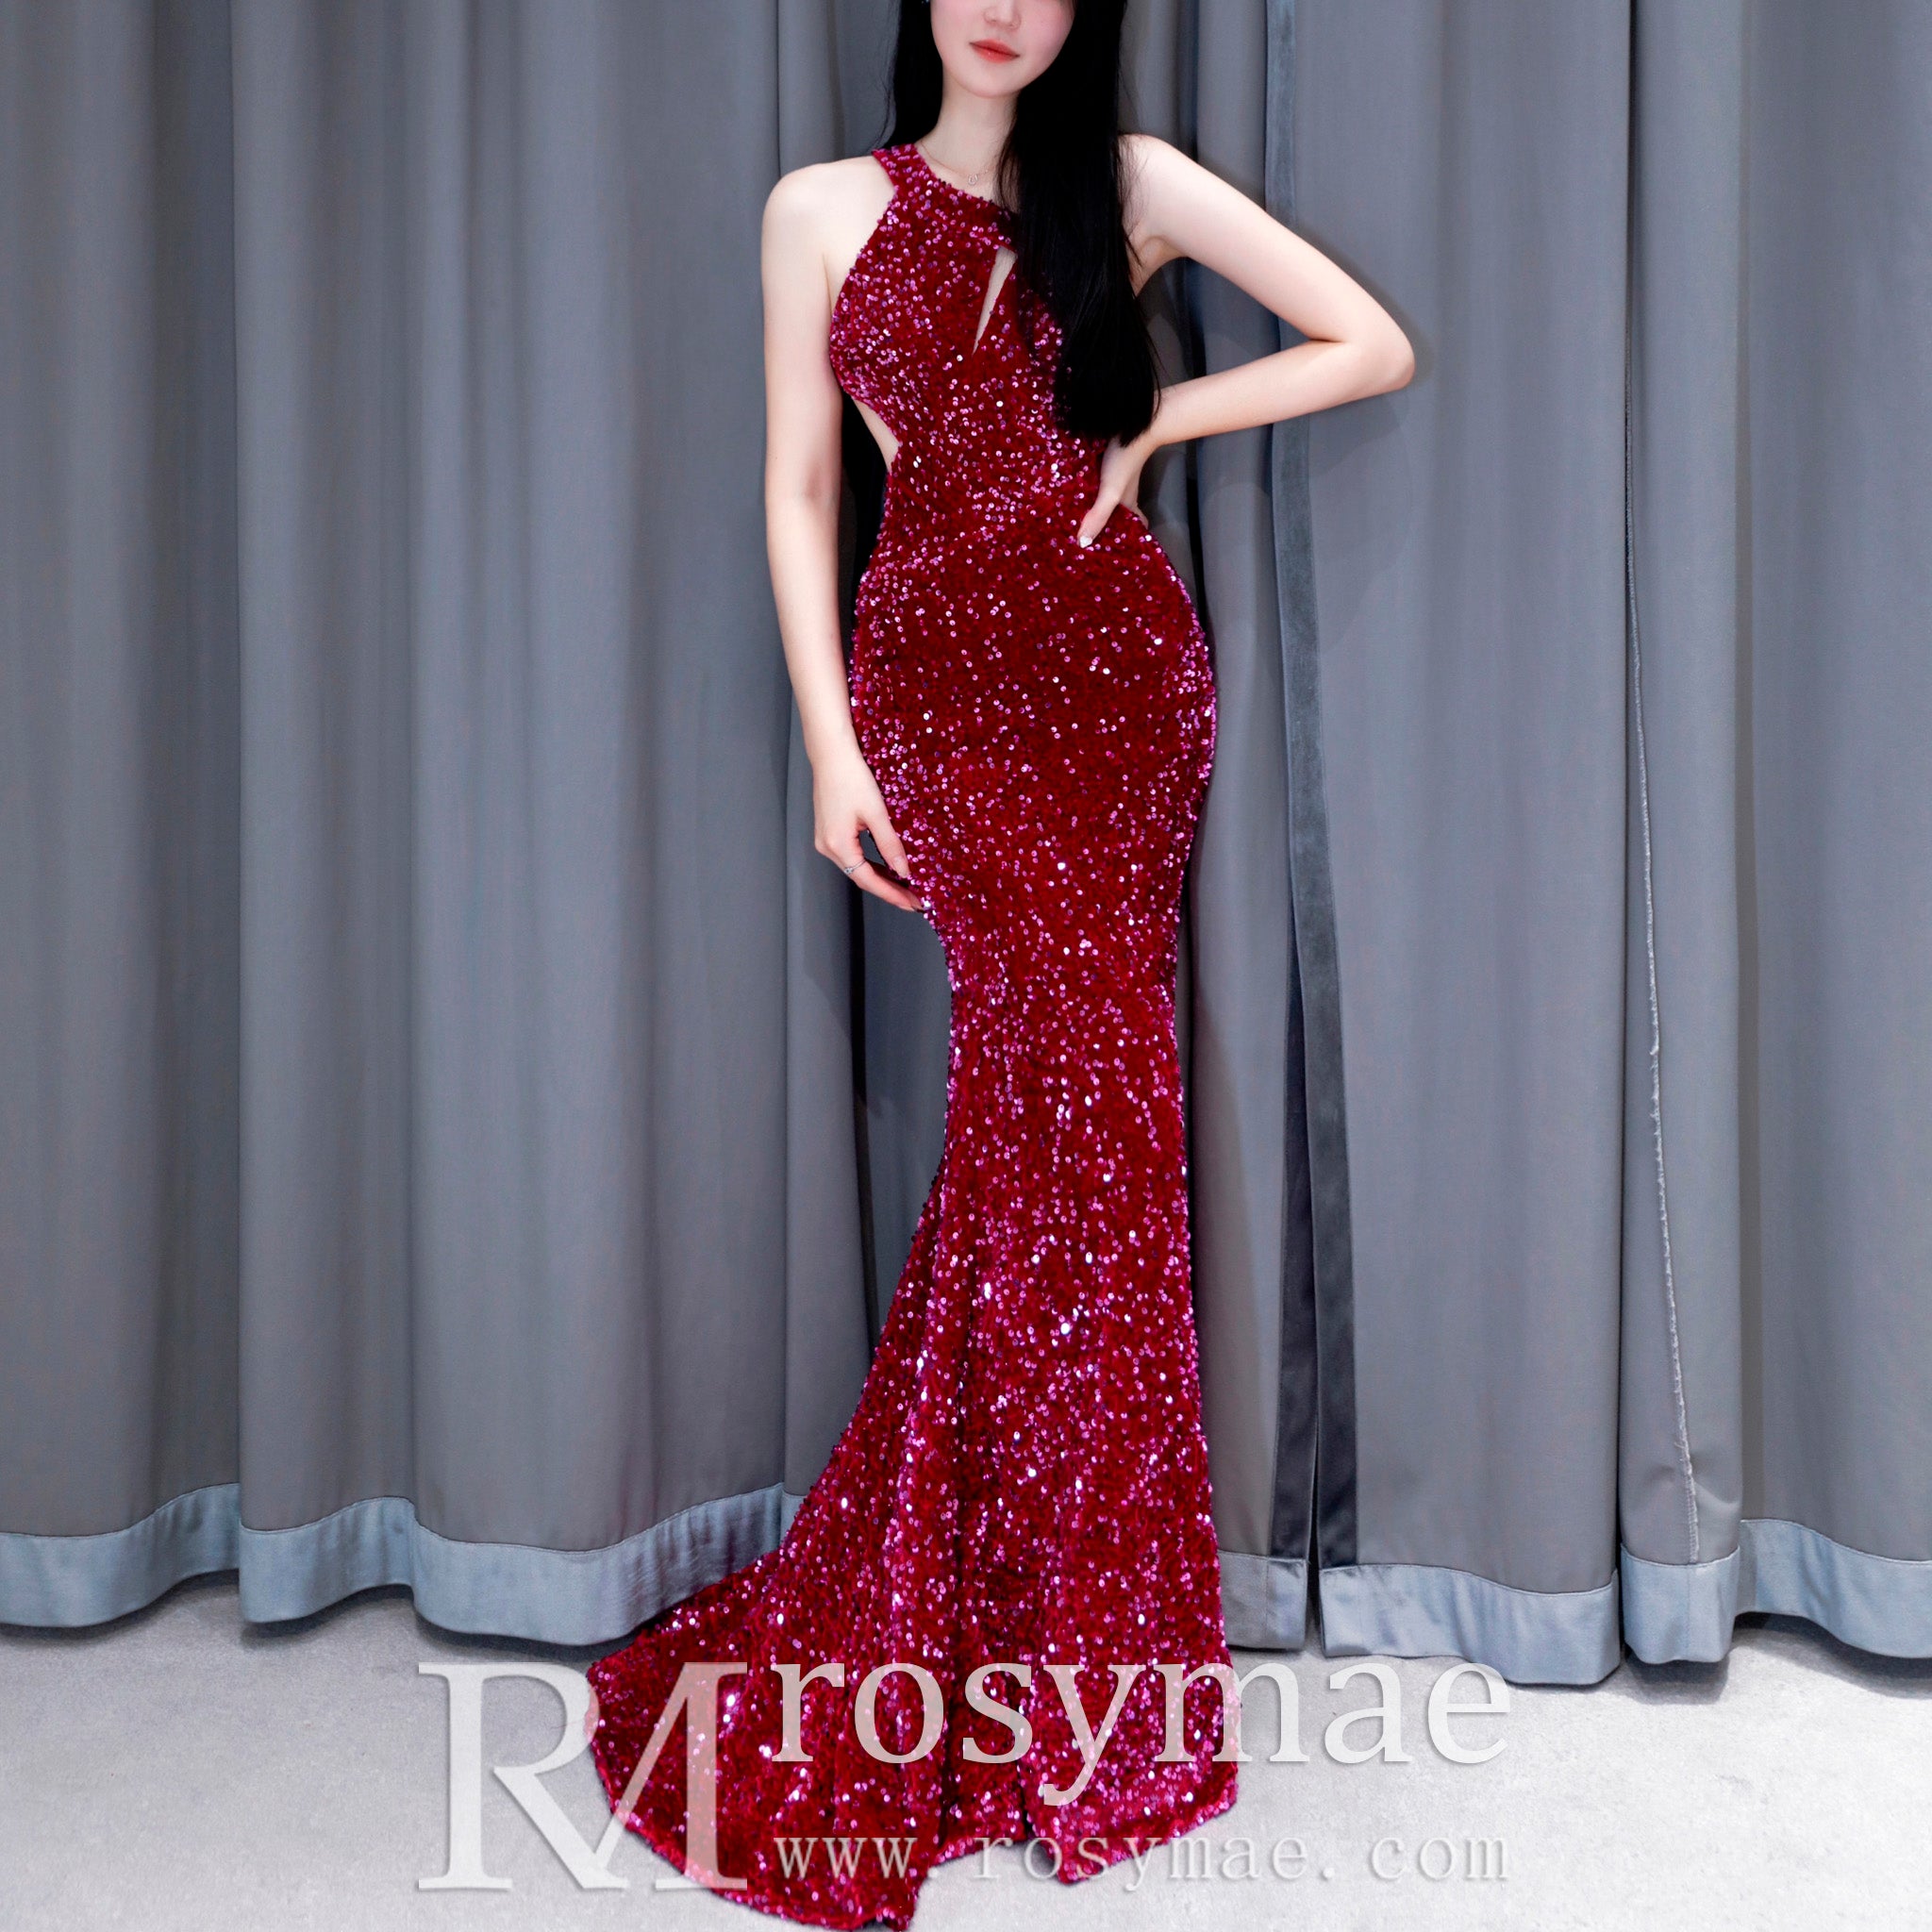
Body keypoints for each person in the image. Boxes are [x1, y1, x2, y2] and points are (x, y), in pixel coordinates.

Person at [585, 2, 1413, 1924]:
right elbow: (802, 490)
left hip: (1117, 688)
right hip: (938, 705)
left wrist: (1157, 419)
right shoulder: (819, 209)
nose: (1005, 5)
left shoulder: (1124, 186)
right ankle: (1035, 1644)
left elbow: (1365, 343)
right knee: (1044, 1149)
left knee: (1083, 1153)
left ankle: (1075, 1664)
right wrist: (830, 747)